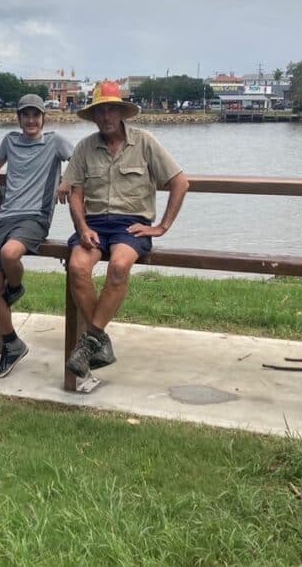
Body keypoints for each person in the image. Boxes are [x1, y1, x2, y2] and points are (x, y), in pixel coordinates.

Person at [59, 81, 188, 380]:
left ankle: (90, 340)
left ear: (121, 113)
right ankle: (99, 341)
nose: (106, 116)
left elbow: (180, 182)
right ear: (93, 116)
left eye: (111, 110)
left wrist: (162, 227)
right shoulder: (85, 147)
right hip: (93, 224)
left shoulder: (144, 142)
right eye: (100, 111)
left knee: (118, 266)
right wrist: (82, 227)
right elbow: (75, 193)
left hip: (130, 224)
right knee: (77, 267)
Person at [0, 94, 73, 378]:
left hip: (35, 217)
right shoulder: (10, 141)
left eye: (36, 115)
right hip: (5, 217)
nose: (31, 120)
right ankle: (12, 344)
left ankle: (15, 288)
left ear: (43, 118)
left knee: (10, 253)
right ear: (18, 119)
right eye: (25, 115)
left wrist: (68, 180)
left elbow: (81, 159)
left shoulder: (55, 142)